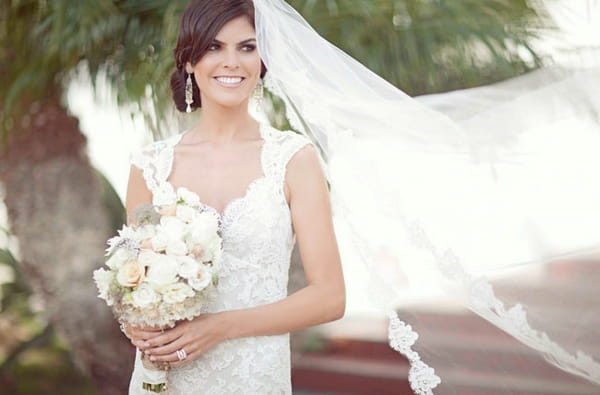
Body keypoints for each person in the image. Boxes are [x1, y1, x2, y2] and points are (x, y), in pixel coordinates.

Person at [121, 0, 345, 393]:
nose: (232, 62)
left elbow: (330, 297)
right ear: (189, 61)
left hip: (253, 375)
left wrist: (219, 327)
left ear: (263, 60)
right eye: (213, 47)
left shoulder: (293, 159)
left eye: (247, 47)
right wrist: (136, 325)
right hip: (168, 376)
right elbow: (131, 284)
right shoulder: (149, 166)